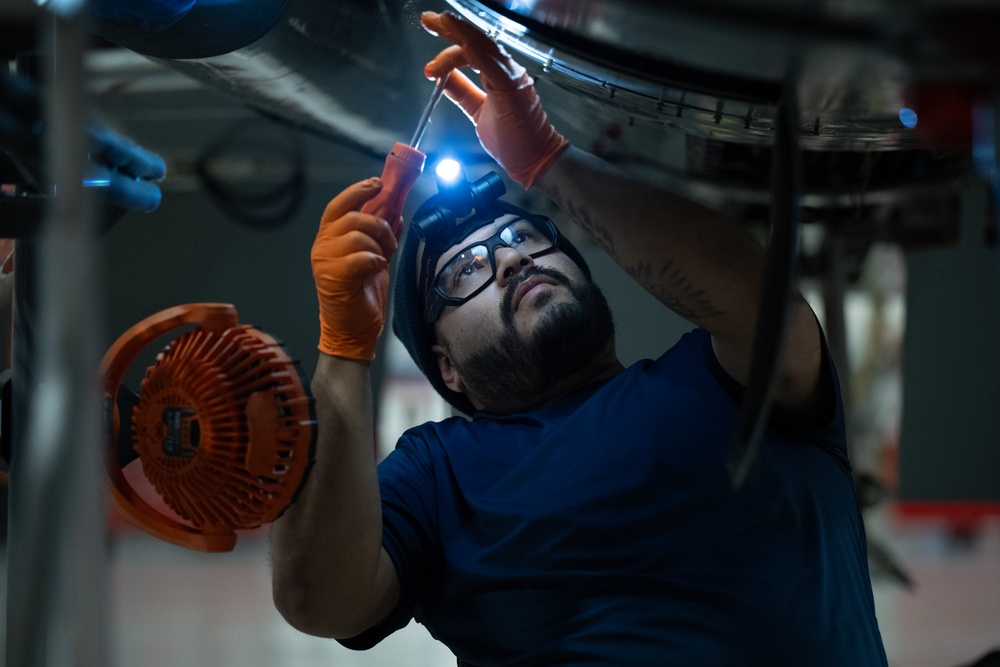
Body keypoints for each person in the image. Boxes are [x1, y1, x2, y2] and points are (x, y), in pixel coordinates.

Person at [270, 10, 888, 666]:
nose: (510, 259)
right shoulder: (438, 473)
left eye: (524, 237)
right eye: (465, 273)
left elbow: (771, 314)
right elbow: (320, 598)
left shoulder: (721, 384)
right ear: (445, 368)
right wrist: (343, 347)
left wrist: (548, 159)